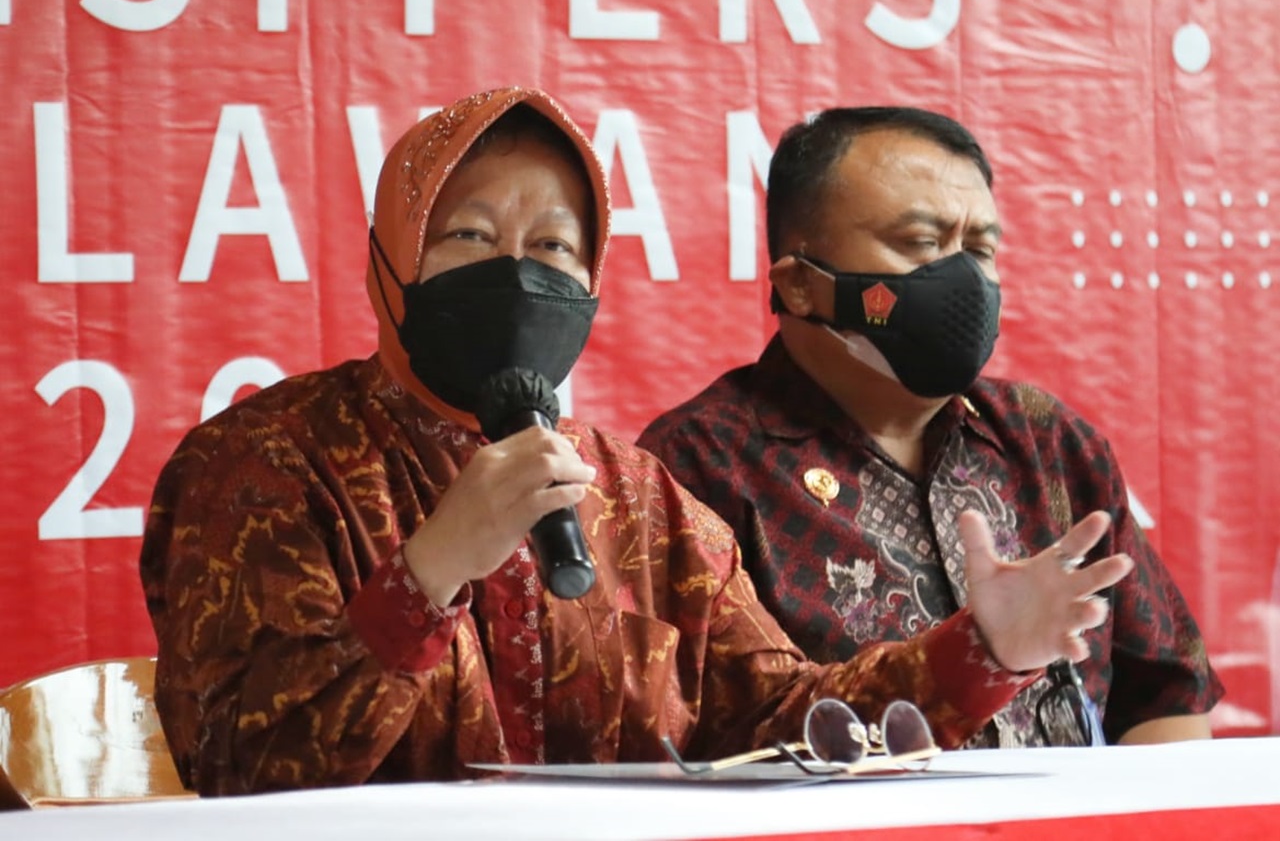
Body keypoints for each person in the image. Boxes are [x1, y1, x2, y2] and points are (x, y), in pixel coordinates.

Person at [140, 88, 1127, 796]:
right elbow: (239, 762)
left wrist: (983, 649)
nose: (517, 273)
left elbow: (775, 722)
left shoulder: (626, 490)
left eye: (555, 248)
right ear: (386, 266)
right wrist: (430, 568)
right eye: (472, 240)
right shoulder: (265, 461)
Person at [637, 106, 1222, 748]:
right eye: (921, 243)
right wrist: (978, 654)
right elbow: (705, 735)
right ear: (800, 285)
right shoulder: (696, 469)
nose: (963, 279)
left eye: (979, 249)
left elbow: (1168, 693)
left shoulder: (1047, 441)